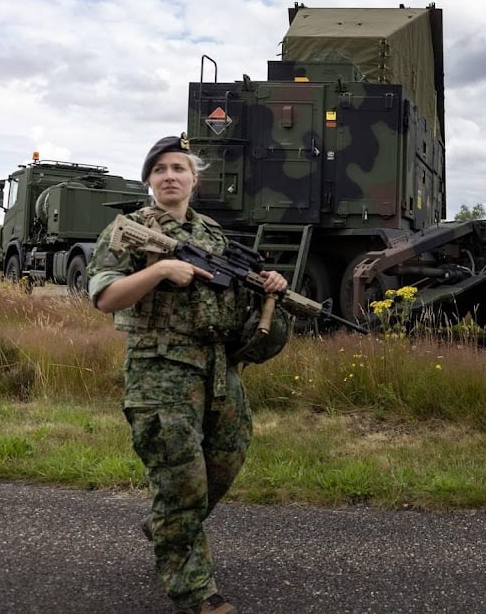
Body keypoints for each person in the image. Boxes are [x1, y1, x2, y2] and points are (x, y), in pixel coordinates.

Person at [88, 133, 288, 614]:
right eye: (160, 170)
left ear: (195, 181)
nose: (170, 176)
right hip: (160, 373)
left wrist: (269, 291)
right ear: (150, 182)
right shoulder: (128, 230)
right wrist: (159, 272)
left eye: (179, 169)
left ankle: (166, 528)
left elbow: (241, 320)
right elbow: (104, 296)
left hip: (220, 372)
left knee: (227, 459)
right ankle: (195, 593)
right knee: (180, 485)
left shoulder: (216, 239)